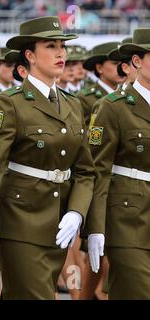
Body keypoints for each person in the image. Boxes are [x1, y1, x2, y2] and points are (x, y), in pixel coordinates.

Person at [0, 16, 96, 299]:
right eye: (51, 46)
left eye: (62, 46)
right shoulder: (11, 103)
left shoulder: (72, 104)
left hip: (59, 223)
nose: (61, 53)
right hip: (20, 222)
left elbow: (86, 170)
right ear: (29, 56)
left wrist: (77, 212)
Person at [84, 28, 150, 300]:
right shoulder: (113, 107)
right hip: (127, 219)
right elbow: (96, 170)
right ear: (136, 62)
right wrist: (95, 228)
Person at [77, 42, 123, 128]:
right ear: (99, 68)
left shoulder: (127, 95)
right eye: (116, 63)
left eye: (123, 63)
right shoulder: (84, 98)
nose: (122, 68)